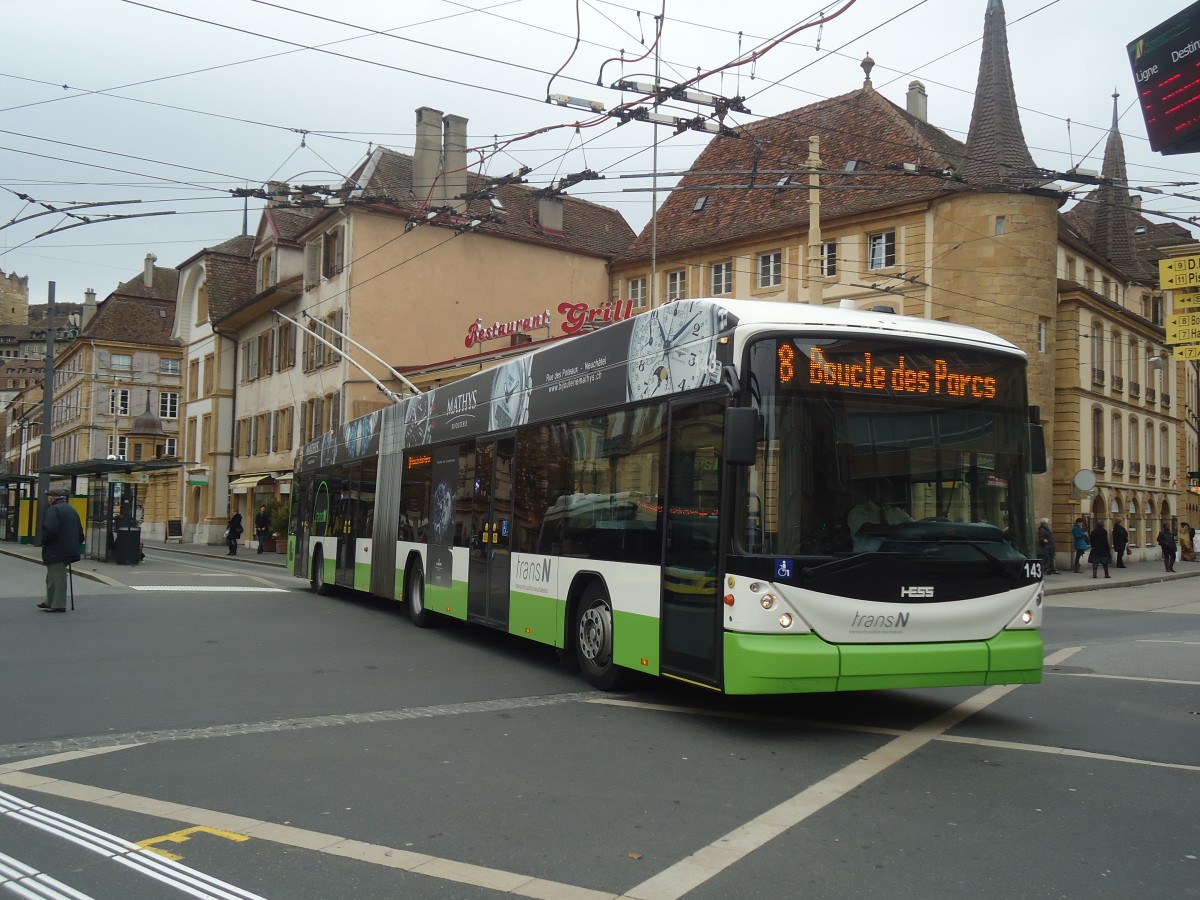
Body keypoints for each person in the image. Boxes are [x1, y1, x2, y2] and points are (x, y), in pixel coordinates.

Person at [37, 488, 83, 613]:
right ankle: (49, 600)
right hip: (69, 548)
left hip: (57, 549)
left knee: (57, 577)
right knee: (52, 576)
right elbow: (80, 532)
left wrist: (43, 541)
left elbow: (50, 529)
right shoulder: (71, 509)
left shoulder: (53, 510)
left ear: (51, 498)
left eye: (48, 498)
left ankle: (58, 604)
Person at [847, 482, 913, 552]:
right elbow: (872, 530)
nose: (890, 494)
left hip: (896, 556)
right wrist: (901, 530)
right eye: (885, 490)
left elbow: (914, 527)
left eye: (891, 491)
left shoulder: (898, 512)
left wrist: (924, 526)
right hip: (866, 559)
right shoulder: (858, 512)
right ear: (873, 492)